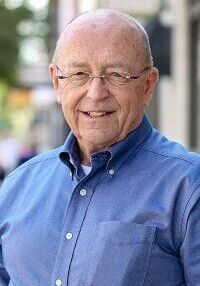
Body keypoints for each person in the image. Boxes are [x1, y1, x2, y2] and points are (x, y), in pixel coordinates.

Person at [0, 9, 200, 286]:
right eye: (79, 74)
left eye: (116, 74)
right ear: (58, 83)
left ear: (147, 85)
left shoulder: (189, 186)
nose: (95, 93)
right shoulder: (16, 187)